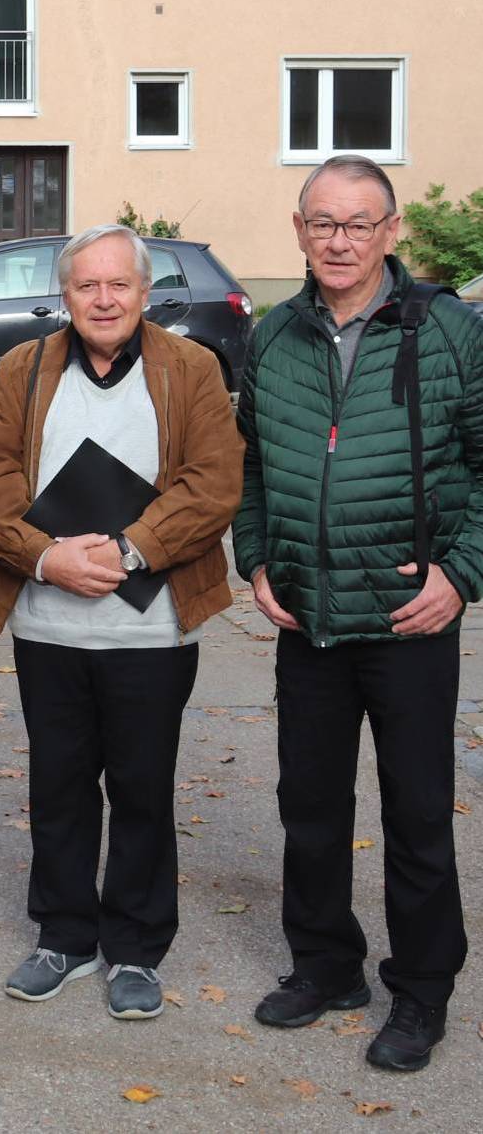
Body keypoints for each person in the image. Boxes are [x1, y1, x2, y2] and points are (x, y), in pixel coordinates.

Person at [234, 155, 483, 1071]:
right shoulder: (271, 336)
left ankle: (420, 991)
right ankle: (325, 964)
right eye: (322, 224)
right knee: (309, 804)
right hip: (308, 620)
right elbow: (254, 465)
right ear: (299, 231)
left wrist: (461, 574)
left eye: (357, 224)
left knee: (417, 811)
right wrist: (254, 557)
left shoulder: (450, 332)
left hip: (412, 619)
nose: (339, 241)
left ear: (390, 232)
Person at [0, 224, 242, 1021]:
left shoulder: (190, 367)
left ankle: (135, 948)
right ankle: (63, 936)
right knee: (57, 788)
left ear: (144, 294)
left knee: (142, 789)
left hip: (151, 630)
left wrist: (128, 548)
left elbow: (213, 483)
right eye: (87, 286)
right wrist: (46, 558)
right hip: (47, 625)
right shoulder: (23, 367)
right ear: (66, 295)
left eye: (119, 284)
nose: (103, 298)